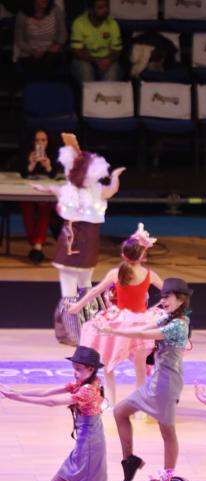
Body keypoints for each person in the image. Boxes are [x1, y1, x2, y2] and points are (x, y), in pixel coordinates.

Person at [0, 346, 106, 481]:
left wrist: (16, 399)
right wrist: (15, 393)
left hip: (90, 445)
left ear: (91, 369)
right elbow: (48, 392)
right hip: (84, 442)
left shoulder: (88, 390)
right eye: (74, 368)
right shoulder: (84, 383)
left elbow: (51, 402)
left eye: (79, 369)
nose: (75, 372)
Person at [95, 277, 192, 481]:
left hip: (167, 383)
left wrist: (111, 331)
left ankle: (168, 477)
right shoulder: (168, 318)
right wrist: (114, 322)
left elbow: (142, 333)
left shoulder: (178, 325)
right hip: (157, 380)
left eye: (168, 296)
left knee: (167, 432)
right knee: (119, 411)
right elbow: (143, 324)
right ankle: (130, 460)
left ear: (181, 299)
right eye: (163, 296)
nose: (163, 300)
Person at [32, 134, 125, 346]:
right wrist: (115, 178)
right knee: (81, 284)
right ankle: (83, 330)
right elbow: (110, 189)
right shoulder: (84, 190)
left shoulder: (83, 190)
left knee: (74, 286)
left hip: (79, 240)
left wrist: (115, 178)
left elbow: (109, 189)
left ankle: (77, 332)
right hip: (77, 240)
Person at [69, 224, 163, 408]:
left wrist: (77, 306)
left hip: (117, 322)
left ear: (123, 255)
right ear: (142, 256)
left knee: (108, 365)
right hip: (141, 323)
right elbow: (169, 289)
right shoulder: (149, 275)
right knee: (140, 369)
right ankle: (140, 406)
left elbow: (95, 291)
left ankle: (110, 403)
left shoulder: (115, 273)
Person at [19, 129, 57, 264]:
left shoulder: (53, 154)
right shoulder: (26, 153)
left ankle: (37, 246)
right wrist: (31, 164)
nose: (40, 143)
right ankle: (35, 244)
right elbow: (22, 174)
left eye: (43, 140)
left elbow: (55, 175)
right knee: (27, 207)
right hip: (28, 190)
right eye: (37, 140)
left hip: (45, 191)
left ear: (48, 141)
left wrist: (48, 166)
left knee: (45, 209)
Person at [13, 0, 67, 82]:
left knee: (51, 63)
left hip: (51, 52)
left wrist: (57, 45)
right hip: (30, 53)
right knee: (35, 69)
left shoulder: (55, 10)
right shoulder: (22, 15)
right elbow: (19, 40)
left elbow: (63, 33)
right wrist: (32, 51)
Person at [70, 0, 122, 82]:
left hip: (107, 59)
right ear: (91, 10)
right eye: (100, 8)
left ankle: (106, 94)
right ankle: (89, 94)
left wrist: (108, 60)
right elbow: (77, 51)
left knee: (112, 72)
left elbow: (117, 51)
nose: (105, 10)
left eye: (106, 7)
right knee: (85, 71)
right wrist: (96, 61)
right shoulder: (79, 23)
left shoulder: (112, 24)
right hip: (85, 60)